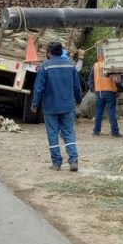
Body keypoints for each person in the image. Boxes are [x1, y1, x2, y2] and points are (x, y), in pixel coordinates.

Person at [31, 41, 82, 171]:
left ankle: (56, 163)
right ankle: (73, 160)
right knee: (69, 133)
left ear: (49, 52)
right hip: (68, 106)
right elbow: (77, 86)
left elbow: (39, 88)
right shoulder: (71, 65)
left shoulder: (45, 66)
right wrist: (78, 100)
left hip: (50, 107)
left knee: (53, 134)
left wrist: (35, 104)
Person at [90, 51, 121, 137]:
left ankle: (96, 131)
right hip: (110, 90)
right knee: (111, 112)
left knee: (99, 112)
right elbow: (117, 79)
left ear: (99, 56)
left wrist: (93, 89)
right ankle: (115, 132)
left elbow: (90, 79)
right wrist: (119, 89)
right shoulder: (111, 64)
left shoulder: (95, 66)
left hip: (99, 92)